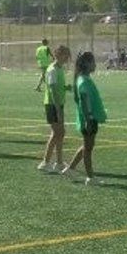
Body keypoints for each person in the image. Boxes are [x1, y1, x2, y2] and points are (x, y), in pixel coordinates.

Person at [63, 51, 105, 185]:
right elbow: (84, 102)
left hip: (90, 118)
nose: (95, 64)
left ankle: (70, 169)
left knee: (87, 146)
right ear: (87, 64)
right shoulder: (84, 81)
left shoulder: (83, 79)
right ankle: (90, 177)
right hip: (89, 119)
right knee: (88, 148)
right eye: (93, 62)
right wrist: (89, 119)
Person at [37, 46, 71, 173]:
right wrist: (58, 109)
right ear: (58, 55)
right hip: (52, 105)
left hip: (58, 104)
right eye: (65, 54)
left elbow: (57, 87)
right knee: (57, 133)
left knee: (60, 133)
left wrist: (66, 87)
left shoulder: (60, 69)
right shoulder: (52, 69)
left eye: (68, 55)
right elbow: (51, 90)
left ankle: (59, 162)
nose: (67, 57)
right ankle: (45, 162)